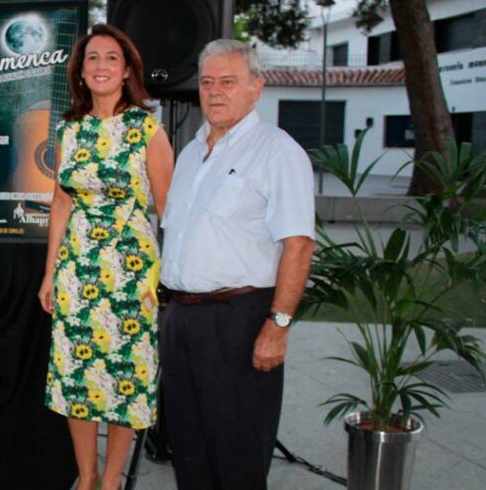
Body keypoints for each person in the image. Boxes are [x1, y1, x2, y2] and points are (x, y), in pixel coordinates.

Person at [158, 39, 315, 490]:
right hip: (181, 319)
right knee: (188, 448)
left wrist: (278, 325)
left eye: (228, 81)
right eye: (207, 82)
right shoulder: (190, 153)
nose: (215, 91)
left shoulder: (277, 152)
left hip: (239, 320)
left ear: (256, 88)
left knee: (237, 452)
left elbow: (299, 245)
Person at [38, 24, 174, 490]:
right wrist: (49, 274)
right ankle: (87, 474)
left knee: (124, 379)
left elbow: (169, 209)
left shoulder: (145, 128)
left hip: (130, 271)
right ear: (80, 71)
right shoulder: (69, 129)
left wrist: (166, 278)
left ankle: (112, 480)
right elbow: (61, 203)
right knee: (77, 375)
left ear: (127, 70)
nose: (100, 66)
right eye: (92, 58)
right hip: (77, 270)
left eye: (111, 58)